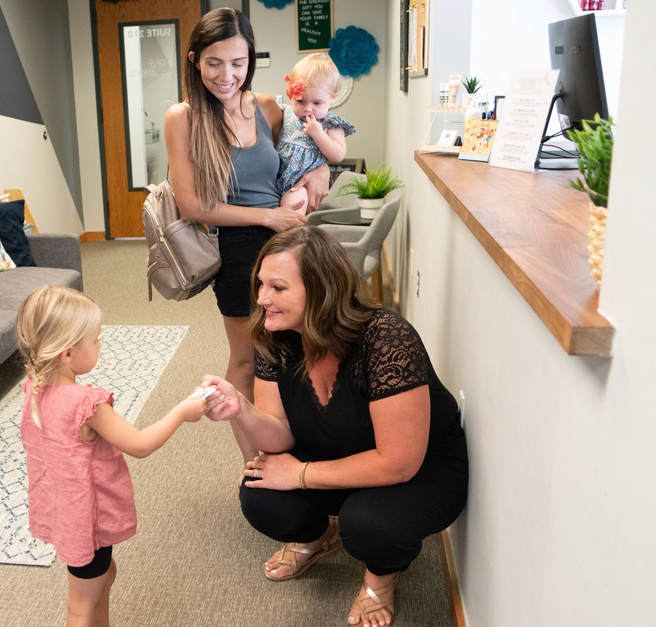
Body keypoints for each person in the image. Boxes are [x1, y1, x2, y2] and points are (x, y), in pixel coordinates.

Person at [201, 227, 468, 627]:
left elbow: (399, 463)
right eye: (260, 285)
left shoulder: (387, 340)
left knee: (369, 525)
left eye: (277, 287)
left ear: (321, 291)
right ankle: (318, 537)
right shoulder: (276, 336)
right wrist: (243, 410)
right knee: (261, 495)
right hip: (339, 449)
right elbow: (281, 433)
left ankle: (381, 576)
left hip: (420, 466)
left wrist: (301, 474)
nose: (261, 299)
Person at [165, 8, 332, 464]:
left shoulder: (269, 108)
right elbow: (193, 206)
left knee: (298, 351)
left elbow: (301, 151)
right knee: (246, 359)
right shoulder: (182, 118)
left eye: (238, 63)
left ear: (250, 61)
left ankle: (299, 446)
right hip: (239, 249)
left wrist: (320, 172)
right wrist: (267, 218)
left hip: (289, 243)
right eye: (215, 62)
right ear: (195, 60)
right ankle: (253, 462)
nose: (227, 75)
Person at [16, 285, 207, 627]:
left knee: (103, 577)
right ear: (67, 354)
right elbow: (139, 444)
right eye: (96, 339)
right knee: (80, 605)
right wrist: (181, 412)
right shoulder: (87, 405)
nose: (101, 344)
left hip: (64, 512)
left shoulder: (35, 389)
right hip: (85, 518)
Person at [276, 53, 356, 214]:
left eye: (317, 103)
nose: (307, 108)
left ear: (332, 98)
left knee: (291, 211)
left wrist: (319, 134)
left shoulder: (330, 123)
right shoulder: (285, 113)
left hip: (301, 186)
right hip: (275, 178)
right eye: (300, 101)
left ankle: (290, 237)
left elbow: (338, 155)